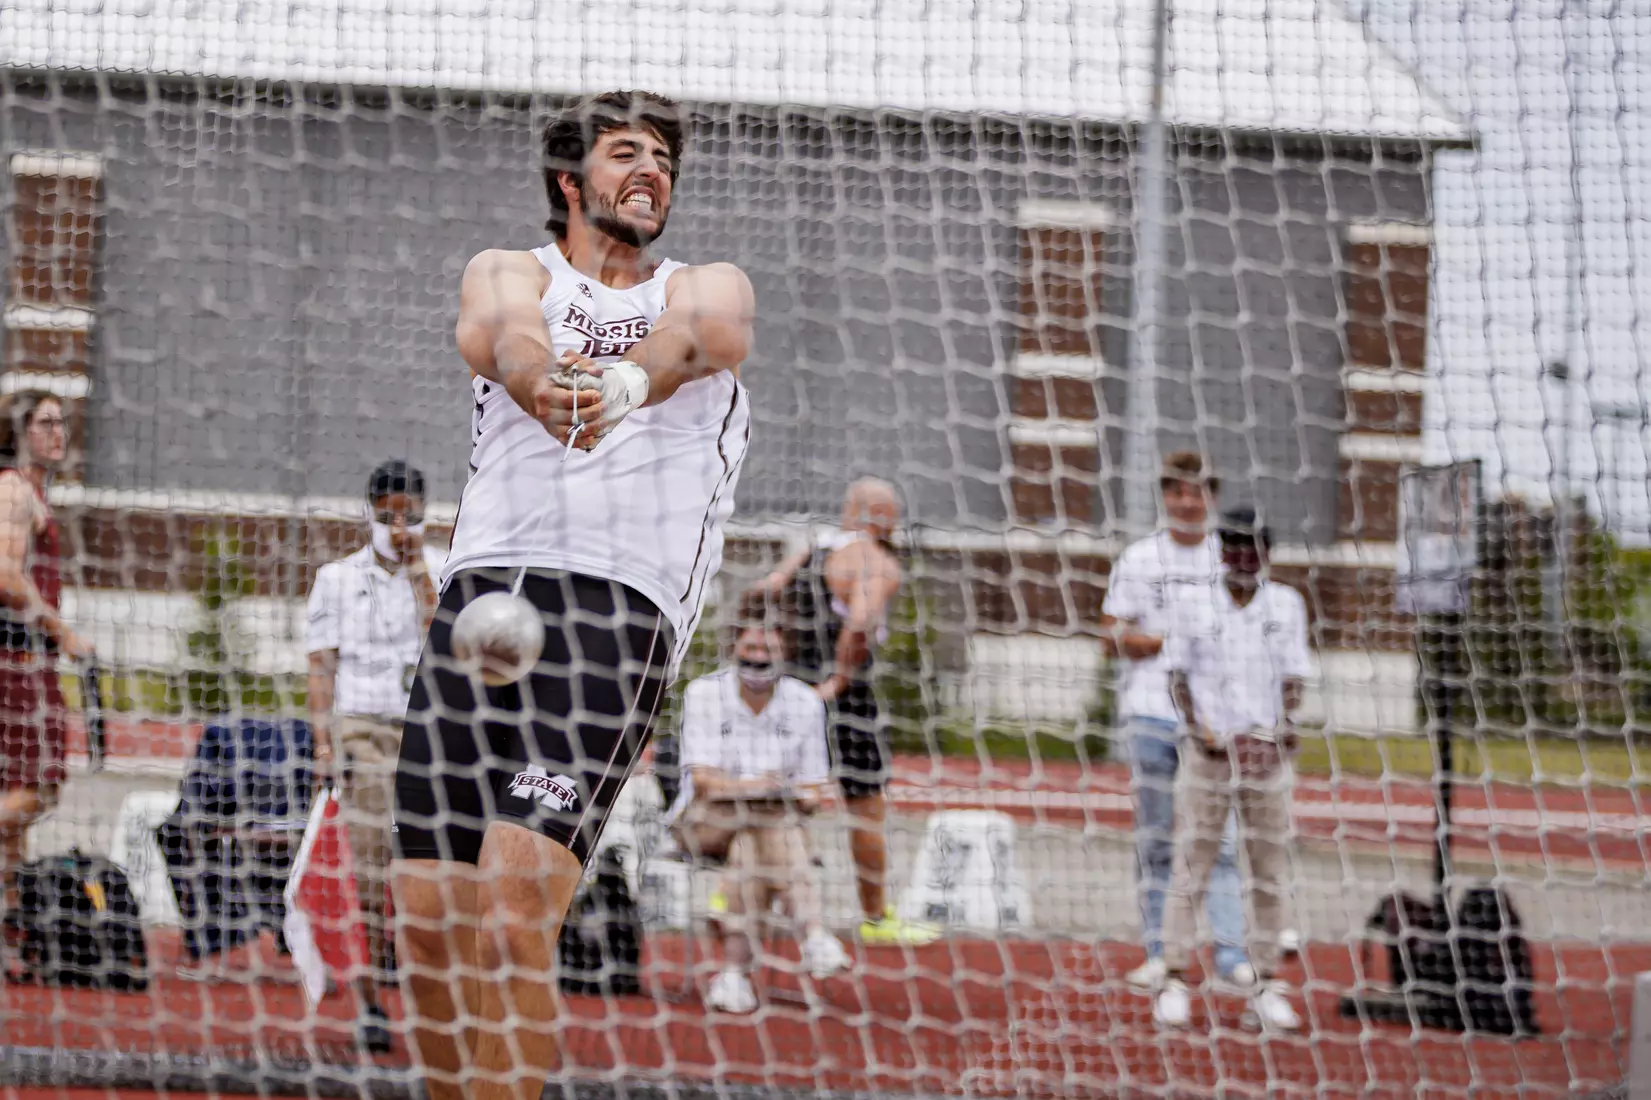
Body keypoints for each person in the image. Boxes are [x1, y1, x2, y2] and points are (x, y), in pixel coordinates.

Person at [391, 90, 754, 1100]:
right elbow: (502, 336)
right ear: (571, 179)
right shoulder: (513, 271)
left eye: (665, 162)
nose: (652, 173)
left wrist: (623, 386)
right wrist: (541, 382)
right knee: (424, 911)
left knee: (513, 907)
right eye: (627, 153)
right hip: (481, 598)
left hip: (615, 608)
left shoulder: (702, 282)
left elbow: (700, 337)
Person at [745, 478, 938, 946]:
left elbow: (762, 592)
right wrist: (839, 680)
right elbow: (859, 623)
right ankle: (875, 918)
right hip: (841, 698)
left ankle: (737, 896)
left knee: (776, 798)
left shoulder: (812, 549)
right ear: (879, 516)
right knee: (865, 805)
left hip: (788, 687)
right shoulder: (876, 561)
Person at [1099, 452, 1254, 990]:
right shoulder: (1140, 559)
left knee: (1223, 842)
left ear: (1210, 496)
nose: (1188, 500)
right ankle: (1160, 951)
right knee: (1158, 841)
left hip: (1215, 724)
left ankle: (1232, 955)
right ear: (1165, 495)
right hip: (1151, 716)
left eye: (1198, 490)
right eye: (1177, 490)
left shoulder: (1229, 561)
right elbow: (1111, 638)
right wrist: (1172, 641)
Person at [1155, 508, 1309, 1032]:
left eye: (1253, 548)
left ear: (1266, 555)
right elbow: (1177, 680)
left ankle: (1266, 984)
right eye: (1234, 547)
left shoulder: (1287, 604)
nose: (1242, 558)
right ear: (1221, 552)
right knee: (1191, 865)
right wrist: (1202, 732)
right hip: (1210, 757)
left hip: (1265, 762)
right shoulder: (1193, 603)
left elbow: (1294, 678)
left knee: (1267, 872)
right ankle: (1174, 978)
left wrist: (1283, 729)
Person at [306, 459, 441, 1053]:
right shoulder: (336, 578)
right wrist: (324, 743)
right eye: (388, 517)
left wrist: (418, 575)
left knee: (424, 867)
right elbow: (320, 662)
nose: (399, 527)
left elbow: (448, 645)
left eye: (409, 516)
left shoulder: (439, 571)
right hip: (363, 726)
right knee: (364, 863)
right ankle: (367, 999)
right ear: (370, 515)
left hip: (424, 730)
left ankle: (418, 983)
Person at [668, 624, 849, 1014]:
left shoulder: (805, 702)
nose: (758, 654)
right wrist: (757, 786)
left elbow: (815, 788)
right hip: (704, 822)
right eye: (751, 645)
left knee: (754, 845)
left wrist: (798, 795)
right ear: (735, 647)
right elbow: (705, 783)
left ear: (784, 653)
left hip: (769, 829)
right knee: (770, 824)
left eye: (768, 646)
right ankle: (813, 933)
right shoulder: (703, 692)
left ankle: (732, 977)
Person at [0, 392, 91, 913]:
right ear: (21, 432)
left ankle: (13, 930)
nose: (59, 433)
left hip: (30, 664)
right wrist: (64, 633)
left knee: (17, 799)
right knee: (42, 788)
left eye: (63, 423)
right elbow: (7, 575)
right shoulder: (15, 491)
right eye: (47, 423)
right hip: (20, 666)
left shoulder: (34, 492)